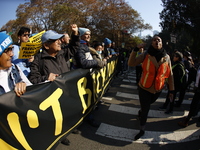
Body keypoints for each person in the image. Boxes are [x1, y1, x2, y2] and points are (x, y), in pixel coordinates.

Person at [28, 24, 80, 146]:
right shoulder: (38, 60)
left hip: (66, 93)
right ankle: (60, 136)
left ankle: (67, 130)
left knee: (66, 113)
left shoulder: (62, 53)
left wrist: (75, 33)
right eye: (55, 40)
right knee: (56, 119)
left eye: (59, 39)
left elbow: (74, 47)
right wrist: (46, 77)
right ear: (46, 45)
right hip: (52, 98)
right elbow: (33, 79)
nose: (59, 42)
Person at [128, 36, 174, 140]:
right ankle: (142, 129)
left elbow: (169, 74)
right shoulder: (145, 54)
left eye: (159, 40)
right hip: (144, 87)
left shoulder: (166, 57)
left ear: (161, 43)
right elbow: (131, 63)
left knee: (147, 105)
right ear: (151, 43)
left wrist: (171, 90)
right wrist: (135, 50)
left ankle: (141, 112)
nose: (156, 41)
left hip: (158, 88)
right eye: (154, 40)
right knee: (146, 109)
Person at [0, 32, 32, 97]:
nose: (12, 54)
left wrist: (23, 85)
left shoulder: (15, 69)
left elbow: (33, 89)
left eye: (11, 49)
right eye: (7, 50)